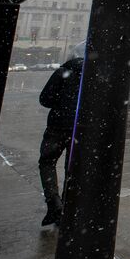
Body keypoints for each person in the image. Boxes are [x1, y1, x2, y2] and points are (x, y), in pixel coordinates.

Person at [37, 44, 84, 226]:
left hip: (57, 126)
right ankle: (67, 206)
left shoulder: (63, 72)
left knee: (47, 162)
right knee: (71, 167)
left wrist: (62, 104)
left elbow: (44, 99)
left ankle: (54, 201)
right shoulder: (92, 74)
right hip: (79, 128)